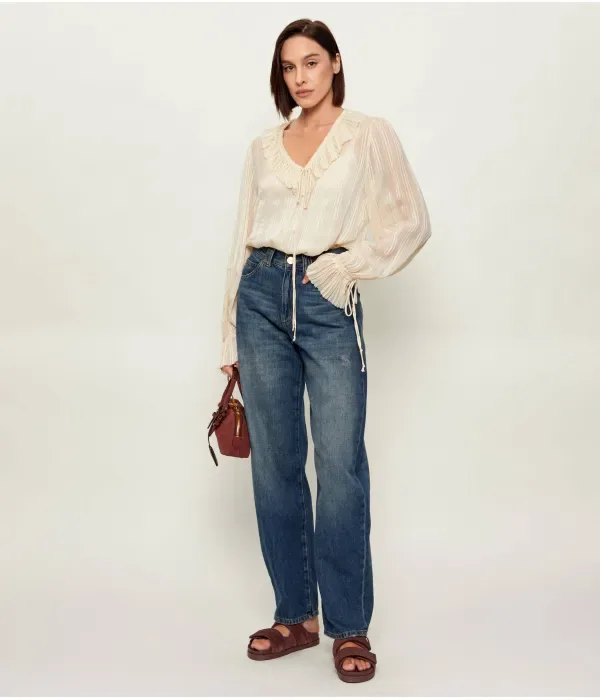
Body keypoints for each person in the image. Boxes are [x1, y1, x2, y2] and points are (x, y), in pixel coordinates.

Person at [218, 17, 431, 684]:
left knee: (340, 466)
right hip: (260, 298)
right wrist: (229, 335)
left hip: (326, 301)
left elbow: (412, 220)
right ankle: (296, 617)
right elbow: (242, 237)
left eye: (311, 62)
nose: (300, 77)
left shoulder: (367, 135)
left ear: (335, 63)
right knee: (275, 465)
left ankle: (348, 625)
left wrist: (348, 266)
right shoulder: (263, 147)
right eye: (289, 67)